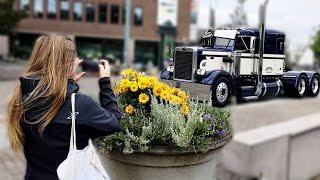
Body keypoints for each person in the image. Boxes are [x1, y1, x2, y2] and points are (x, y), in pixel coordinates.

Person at [6, 34, 122, 180]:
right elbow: (114, 122)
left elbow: (54, 103)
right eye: (74, 58)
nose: (77, 62)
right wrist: (105, 82)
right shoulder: (81, 104)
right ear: (66, 63)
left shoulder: (22, 96)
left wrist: (69, 85)